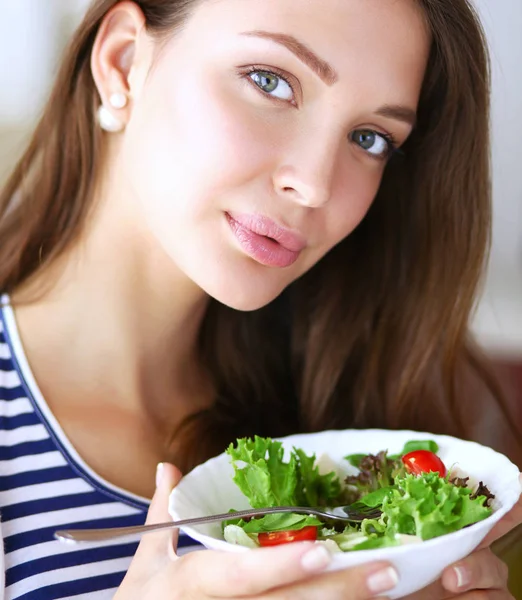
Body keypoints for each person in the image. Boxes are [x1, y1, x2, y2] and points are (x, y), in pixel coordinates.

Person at [0, 0, 520, 598]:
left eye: (369, 137)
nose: (316, 183)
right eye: (270, 82)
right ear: (123, 64)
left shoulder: (358, 425)